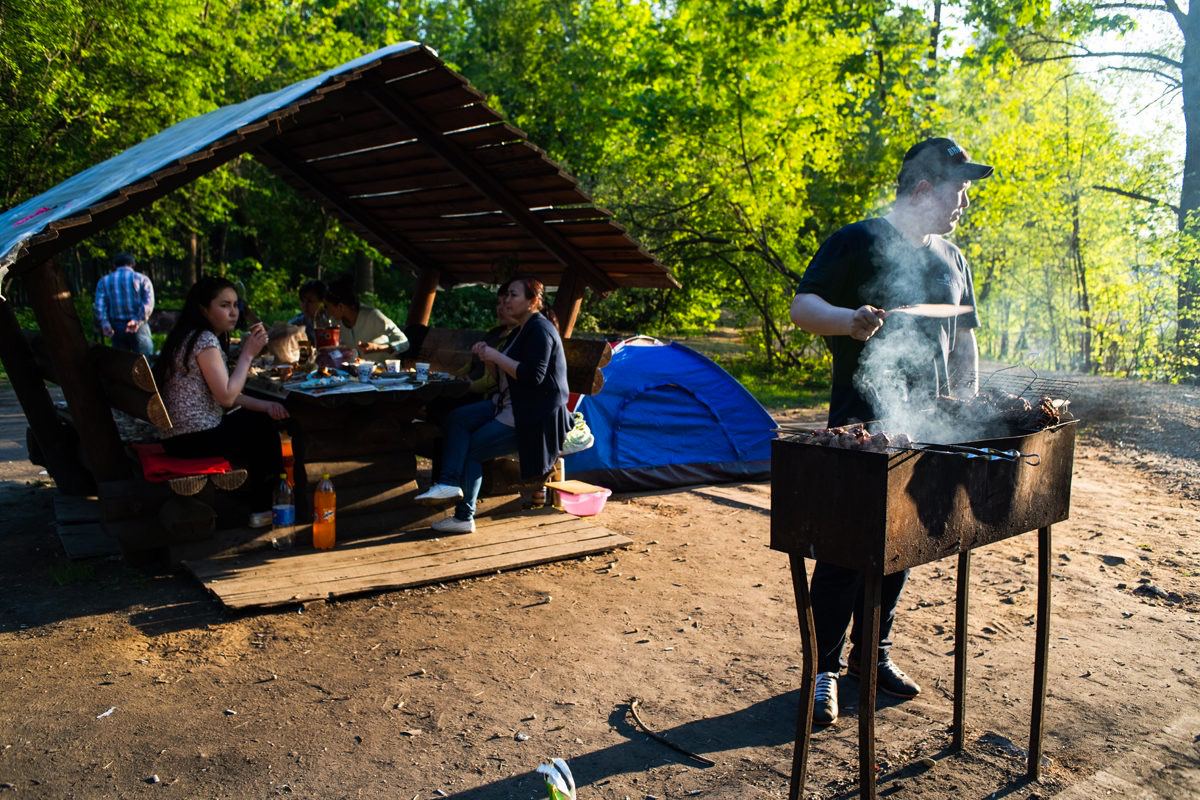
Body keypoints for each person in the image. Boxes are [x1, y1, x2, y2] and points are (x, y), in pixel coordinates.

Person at [789, 136, 993, 725]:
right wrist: (848, 322)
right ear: (925, 188)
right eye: (958, 188)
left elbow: (966, 338)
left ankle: (870, 656)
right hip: (859, 426)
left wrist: (968, 404)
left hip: (923, 428)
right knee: (842, 550)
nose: (964, 201)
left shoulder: (954, 259)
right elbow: (803, 308)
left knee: (900, 544)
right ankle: (822, 670)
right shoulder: (858, 240)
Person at [414, 276, 571, 534]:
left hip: (531, 416)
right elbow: (504, 377)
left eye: (513, 295)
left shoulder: (540, 329)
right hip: (509, 405)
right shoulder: (521, 329)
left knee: (473, 449)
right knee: (456, 418)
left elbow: (534, 376)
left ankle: (464, 516)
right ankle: (449, 483)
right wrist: (489, 359)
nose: (507, 300)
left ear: (533, 301)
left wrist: (496, 355)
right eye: (506, 295)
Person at [153, 276, 290, 528]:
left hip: (178, 438)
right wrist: (248, 354)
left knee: (258, 419)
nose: (233, 312)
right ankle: (265, 508)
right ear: (204, 309)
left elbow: (224, 393)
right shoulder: (204, 340)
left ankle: (260, 503)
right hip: (193, 438)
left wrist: (265, 406)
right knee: (263, 431)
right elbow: (226, 397)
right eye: (224, 305)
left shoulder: (187, 336)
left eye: (236, 305)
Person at [323, 276, 408, 362]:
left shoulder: (372, 316)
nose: (326, 310)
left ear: (341, 307)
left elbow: (404, 342)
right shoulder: (335, 323)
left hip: (385, 372)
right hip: (355, 373)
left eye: (327, 306)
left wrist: (378, 347)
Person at [94, 252, 155, 354]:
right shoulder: (142, 279)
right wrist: (136, 320)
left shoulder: (104, 281)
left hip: (116, 328)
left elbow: (99, 307)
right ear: (133, 264)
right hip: (139, 328)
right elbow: (148, 304)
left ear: (115, 265)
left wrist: (105, 323)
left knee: (122, 364)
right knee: (144, 363)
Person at [288, 278, 326, 345]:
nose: (305, 305)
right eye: (302, 301)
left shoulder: (331, 323)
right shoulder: (298, 323)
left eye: (310, 301)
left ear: (322, 302)